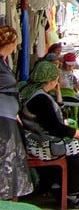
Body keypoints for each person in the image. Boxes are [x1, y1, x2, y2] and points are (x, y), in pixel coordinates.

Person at [21, 60, 79, 209]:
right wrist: (78, 133)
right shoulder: (40, 99)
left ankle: (58, 186)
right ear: (49, 79)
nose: (57, 81)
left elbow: (55, 116)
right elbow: (54, 127)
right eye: (55, 79)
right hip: (42, 144)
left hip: (36, 139)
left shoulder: (32, 91)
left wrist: (57, 92)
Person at [0, 25, 34, 201]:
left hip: (8, 115)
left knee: (11, 163)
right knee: (7, 163)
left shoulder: (3, 61)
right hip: (2, 118)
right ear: (10, 43)